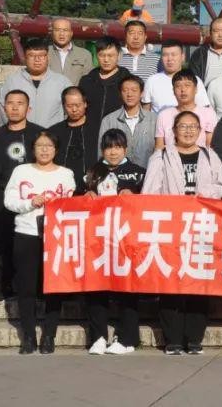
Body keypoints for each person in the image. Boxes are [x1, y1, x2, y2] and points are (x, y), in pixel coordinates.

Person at [142, 110, 222, 355]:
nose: (188, 131)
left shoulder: (210, 155)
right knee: (171, 283)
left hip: (201, 228)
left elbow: (221, 186)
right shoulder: (161, 156)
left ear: (200, 131)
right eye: (183, 126)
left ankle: (194, 338)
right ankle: (173, 339)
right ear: (173, 131)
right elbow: (150, 192)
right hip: (171, 228)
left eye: (193, 127)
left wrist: (204, 196)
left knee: (198, 283)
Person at [4, 130, 76, 354]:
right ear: (33, 149)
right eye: (40, 145)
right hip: (26, 233)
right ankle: (28, 336)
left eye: (49, 145)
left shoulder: (66, 174)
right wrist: (30, 203)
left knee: (53, 287)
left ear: (56, 149)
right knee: (26, 287)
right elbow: (9, 200)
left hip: (56, 235)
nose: (44, 150)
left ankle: (49, 335)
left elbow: (71, 204)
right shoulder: (21, 171)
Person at [82, 129, 145, 355]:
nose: (113, 152)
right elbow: (77, 202)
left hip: (127, 239)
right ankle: (98, 336)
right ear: (102, 150)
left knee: (127, 287)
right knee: (95, 287)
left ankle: (128, 338)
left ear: (125, 149)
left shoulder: (138, 173)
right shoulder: (92, 173)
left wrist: (135, 197)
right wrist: (85, 196)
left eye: (118, 147)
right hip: (97, 239)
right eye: (108, 147)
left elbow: (151, 202)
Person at [0, 89, 44, 305]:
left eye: (20, 103)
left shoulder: (39, 134)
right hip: (4, 198)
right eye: (10, 103)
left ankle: (39, 288)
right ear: (4, 108)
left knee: (35, 244)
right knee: (4, 244)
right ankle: (4, 287)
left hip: (33, 199)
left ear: (28, 108)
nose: (15, 107)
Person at [0, 37, 71, 128]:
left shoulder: (62, 82)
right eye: (32, 55)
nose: (37, 59)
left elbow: (71, 110)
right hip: (20, 135)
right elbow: (2, 109)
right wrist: (15, 130)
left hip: (52, 135)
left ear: (47, 57)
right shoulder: (12, 81)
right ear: (25, 58)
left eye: (41, 55)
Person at [48, 86, 101, 193]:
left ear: (85, 104)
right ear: (63, 106)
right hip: (61, 189)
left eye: (78, 105)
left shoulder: (99, 128)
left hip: (93, 189)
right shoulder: (54, 131)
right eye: (69, 106)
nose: (74, 110)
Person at [98, 75, 156, 168]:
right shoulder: (109, 120)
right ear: (120, 93)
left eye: (134, 90)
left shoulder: (153, 119)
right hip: (116, 174)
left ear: (142, 93)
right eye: (125, 90)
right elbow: (101, 153)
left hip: (148, 173)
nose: (129, 94)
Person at [154, 70, 218, 150]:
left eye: (187, 85)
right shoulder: (163, 115)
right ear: (173, 91)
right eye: (178, 86)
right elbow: (159, 148)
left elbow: (210, 147)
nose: (183, 90)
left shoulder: (208, 114)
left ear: (196, 89)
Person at [141, 42, 209, 114]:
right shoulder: (152, 81)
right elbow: (146, 112)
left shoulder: (195, 80)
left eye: (174, 55)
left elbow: (204, 110)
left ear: (182, 57)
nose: (169, 59)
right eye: (165, 55)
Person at [78, 36, 127, 123]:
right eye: (102, 55)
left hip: (117, 129)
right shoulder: (86, 81)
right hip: (90, 129)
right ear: (96, 55)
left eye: (110, 55)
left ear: (119, 55)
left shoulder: (126, 81)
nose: (106, 60)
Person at [187, 17, 222, 86]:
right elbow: (192, 79)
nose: (220, 35)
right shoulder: (199, 53)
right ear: (210, 33)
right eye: (216, 31)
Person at [48, 17, 92, 85]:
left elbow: (88, 82)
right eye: (57, 30)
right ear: (52, 33)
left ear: (71, 33)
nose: (61, 34)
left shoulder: (84, 54)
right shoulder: (45, 53)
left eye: (65, 30)